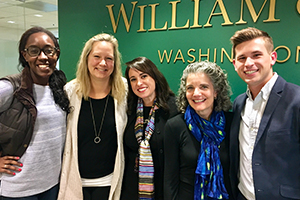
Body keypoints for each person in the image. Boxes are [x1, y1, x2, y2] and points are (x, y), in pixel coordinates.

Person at [229, 27, 300, 200]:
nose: (248, 63)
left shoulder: (296, 100)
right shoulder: (238, 103)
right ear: (234, 64)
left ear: (273, 58)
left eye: (256, 55)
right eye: (242, 58)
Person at [0, 26, 70, 199]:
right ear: (25, 55)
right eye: (34, 51)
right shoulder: (10, 87)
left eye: (49, 51)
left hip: (52, 185)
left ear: (56, 53)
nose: (43, 57)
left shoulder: (60, 87)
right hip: (19, 189)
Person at [57, 33, 127, 200]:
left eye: (109, 58)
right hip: (75, 182)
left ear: (115, 63)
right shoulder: (70, 91)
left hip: (109, 182)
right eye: (97, 56)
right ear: (86, 58)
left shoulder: (124, 91)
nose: (103, 63)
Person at [164, 60, 233, 200]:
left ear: (216, 91)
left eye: (203, 87)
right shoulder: (175, 126)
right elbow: (169, 179)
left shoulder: (231, 122)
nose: (196, 93)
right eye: (190, 88)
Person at [120, 56, 178, 200]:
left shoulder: (175, 108)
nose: (139, 83)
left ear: (155, 77)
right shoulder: (128, 109)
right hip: (132, 189)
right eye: (133, 79)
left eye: (144, 76)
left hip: (164, 189)